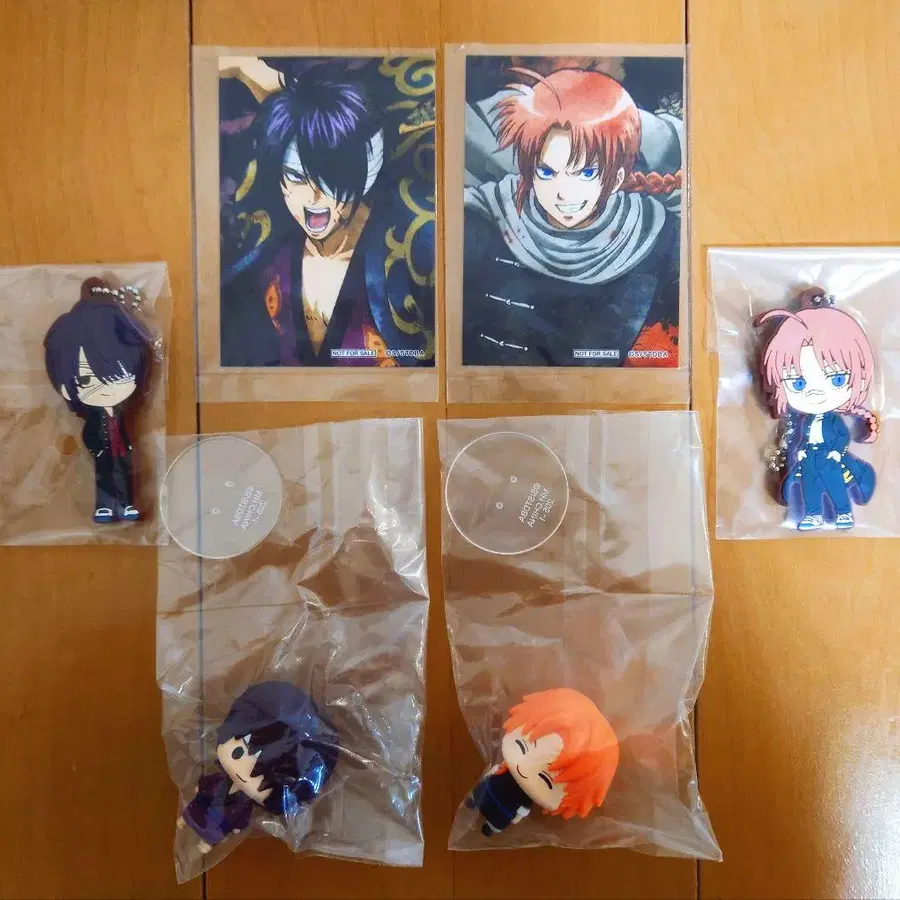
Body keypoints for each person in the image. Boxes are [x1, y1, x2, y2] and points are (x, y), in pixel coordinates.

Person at [220, 60, 435, 368]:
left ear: (368, 170)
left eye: (330, 178)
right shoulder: (268, 264)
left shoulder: (414, 247)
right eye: (296, 177)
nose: (314, 198)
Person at [462, 67, 682, 367]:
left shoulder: (660, 238)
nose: (564, 194)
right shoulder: (483, 219)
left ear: (616, 178)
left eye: (587, 173)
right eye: (546, 172)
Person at [756, 289, 878, 530]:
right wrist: (800, 452)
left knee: (835, 485)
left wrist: (836, 452)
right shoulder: (804, 422)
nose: (815, 393)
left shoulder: (833, 420)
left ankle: (843, 512)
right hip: (809, 457)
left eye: (837, 379)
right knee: (809, 487)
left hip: (829, 457)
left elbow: (842, 436)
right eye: (798, 383)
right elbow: (800, 438)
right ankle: (813, 514)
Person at [179, 681, 339, 853]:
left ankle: (208, 841)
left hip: (220, 824)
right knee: (194, 813)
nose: (245, 775)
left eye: (261, 779)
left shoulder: (245, 804)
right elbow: (207, 784)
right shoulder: (220, 783)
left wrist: (237, 826)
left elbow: (242, 818)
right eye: (238, 753)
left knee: (214, 831)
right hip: (203, 809)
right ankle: (186, 821)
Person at [44, 278, 151, 523]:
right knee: (104, 473)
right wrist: (96, 445)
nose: (106, 386)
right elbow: (89, 434)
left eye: (120, 374)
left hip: (121, 446)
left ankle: (125, 504)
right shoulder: (93, 415)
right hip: (102, 447)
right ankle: (104, 506)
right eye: (86, 379)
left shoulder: (123, 412)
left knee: (123, 471)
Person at [466, 688, 619, 836]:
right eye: (522, 746)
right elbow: (520, 809)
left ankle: (491, 825)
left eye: (546, 780)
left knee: (497, 816)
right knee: (484, 798)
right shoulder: (505, 771)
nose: (524, 770)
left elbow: (522, 810)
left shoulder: (522, 794)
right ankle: (476, 804)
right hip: (496, 797)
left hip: (502, 809)